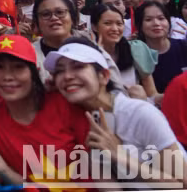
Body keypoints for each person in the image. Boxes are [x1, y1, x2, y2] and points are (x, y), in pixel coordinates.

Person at [44, 39, 187, 187]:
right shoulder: (84, 121)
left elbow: (182, 184)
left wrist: (122, 156)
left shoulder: (140, 114)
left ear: (104, 76)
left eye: (78, 66)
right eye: (60, 70)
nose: (67, 76)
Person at [0, 34, 92, 187]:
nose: (7, 77)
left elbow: (99, 170)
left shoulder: (65, 104)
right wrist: (2, 175)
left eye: (18, 67)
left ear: (34, 72)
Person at [90, 4, 157, 96]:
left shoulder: (135, 49)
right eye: (107, 23)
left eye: (119, 24)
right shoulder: (88, 56)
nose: (115, 29)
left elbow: (152, 93)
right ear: (94, 27)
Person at [134, 1, 187, 93]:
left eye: (161, 18)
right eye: (148, 20)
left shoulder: (183, 47)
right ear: (139, 25)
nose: (156, 23)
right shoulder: (135, 52)